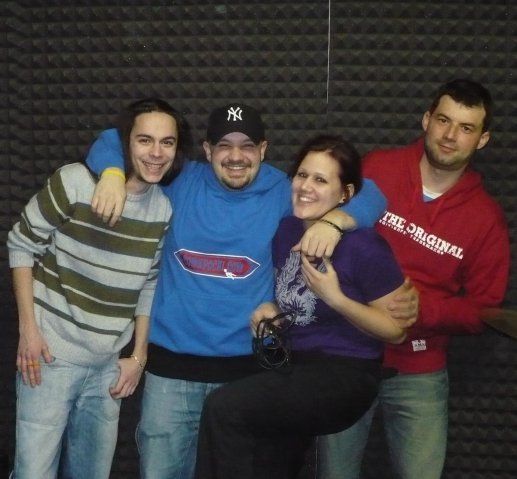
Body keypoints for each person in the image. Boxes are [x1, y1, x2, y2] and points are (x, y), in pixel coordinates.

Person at [85, 103, 414, 479]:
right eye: (224, 145)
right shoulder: (179, 180)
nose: (236, 156)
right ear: (207, 150)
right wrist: (113, 173)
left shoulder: (284, 192)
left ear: (264, 149)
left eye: (247, 146)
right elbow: (112, 139)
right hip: (171, 373)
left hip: (247, 371)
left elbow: (371, 195)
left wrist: (336, 222)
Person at [193, 134, 416, 479]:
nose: (306, 186)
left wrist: (336, 298)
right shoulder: (286, 231)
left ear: (345, 194)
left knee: (224, 408)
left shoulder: (364, 245)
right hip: (295, 367)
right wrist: (271, 311)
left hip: (346, 374)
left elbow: (396, 331)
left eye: (321, 180)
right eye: (302, 175)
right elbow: (293, 300)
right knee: (269, 458)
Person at [318, 79, 510, 479]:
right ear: (426, 120)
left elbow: (485, 309)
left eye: (466, 128)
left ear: (482, 139)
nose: (450, 135)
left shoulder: (486, 219)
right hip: (347, 354)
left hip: (419, 369)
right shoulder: (377, 169)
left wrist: (424, 309)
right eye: (443, 120)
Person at [7, 97, 191, 479]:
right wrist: (28, 330)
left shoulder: (162, 209)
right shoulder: (75, 181)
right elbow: (21, 244)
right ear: (126, 142)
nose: (156, 153)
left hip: (107, 367)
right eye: (145, 140)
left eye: (167, 142)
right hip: (49, 359)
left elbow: (148, 284)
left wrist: (138, 356)